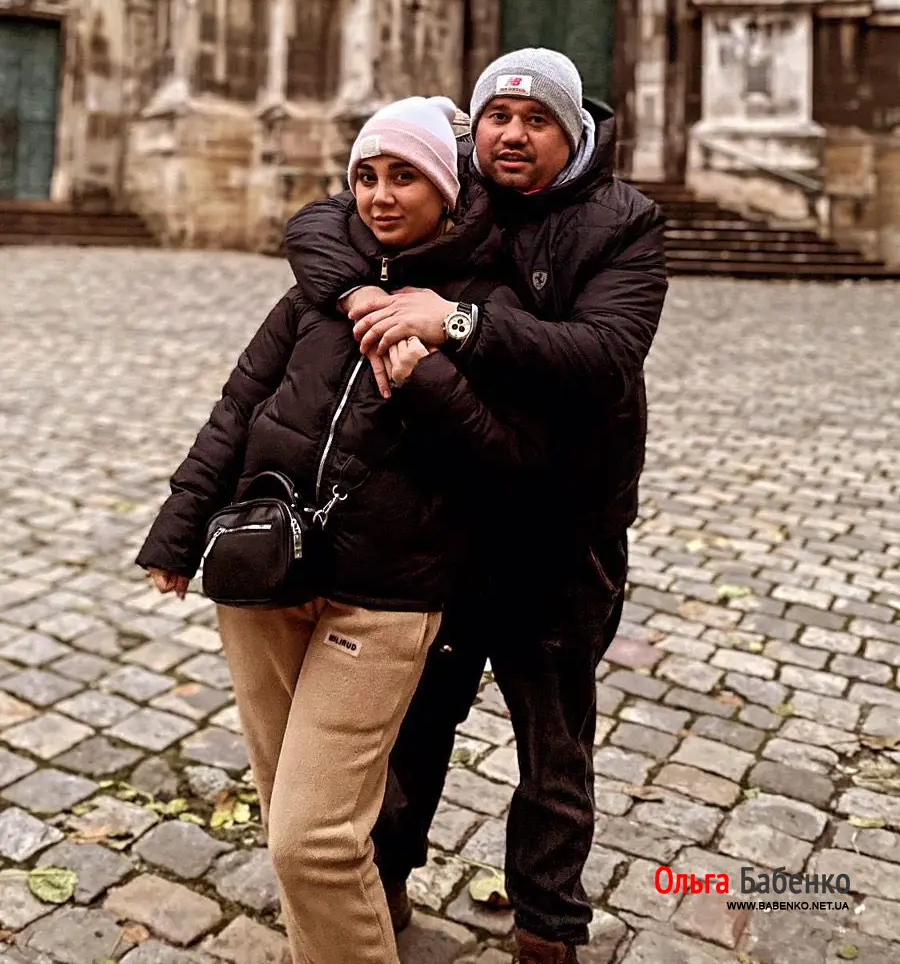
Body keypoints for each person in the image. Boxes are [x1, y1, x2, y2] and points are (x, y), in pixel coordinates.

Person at [135, 96, 545, 964]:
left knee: (311, 842)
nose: (381, 195)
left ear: (448, 189)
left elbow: (510, 464)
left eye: (405, 176)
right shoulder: (320, 286)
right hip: (262, 575)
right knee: (289, 809)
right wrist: (178, 533)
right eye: (366, 175)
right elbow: (238, 409)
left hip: (384, 599)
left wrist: (429, 378)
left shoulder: (485, 308)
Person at [283, 50, 669, 964]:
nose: (512, 135)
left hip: (565, 529)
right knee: (415, 726)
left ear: (574, 132)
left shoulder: (625, 221)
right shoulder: (453, 181)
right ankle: (382, 887)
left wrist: (452, 321)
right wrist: (363, 293)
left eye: (537, 120)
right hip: (451, 513)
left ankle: (546, 929)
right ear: (475, 123)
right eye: (497, 115)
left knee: (554, 746)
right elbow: (318, 222)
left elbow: (606, 355)